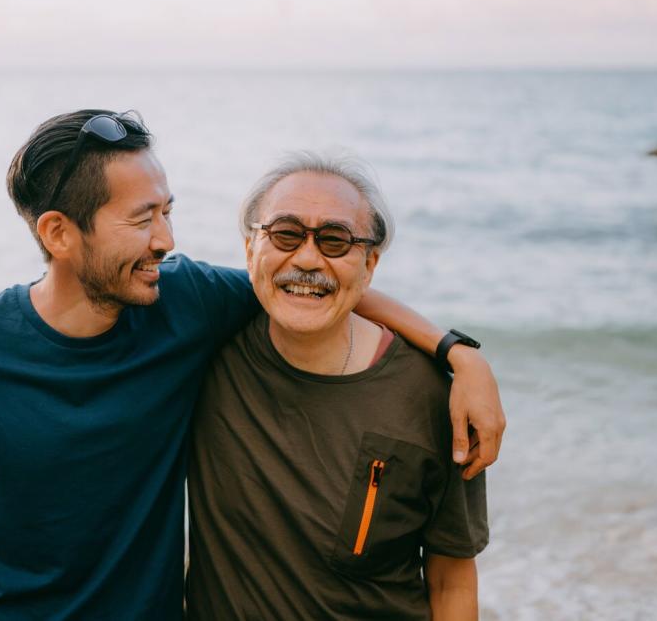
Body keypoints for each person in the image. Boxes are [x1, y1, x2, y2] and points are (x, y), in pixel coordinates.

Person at [0, 110, 504, 620]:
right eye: (144, 219)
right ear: (59, 233)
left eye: (168, 212)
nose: (167, 240)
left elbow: (308, 278)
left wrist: (457, 352)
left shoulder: (184, 302)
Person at [184, 152, 486, 619]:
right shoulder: (203, 349)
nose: (306, 258)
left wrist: (462, 358)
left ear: (369, 265)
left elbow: (451, 580)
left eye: (335, 240)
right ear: (249, 250)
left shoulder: (435, 398)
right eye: (284, 234)